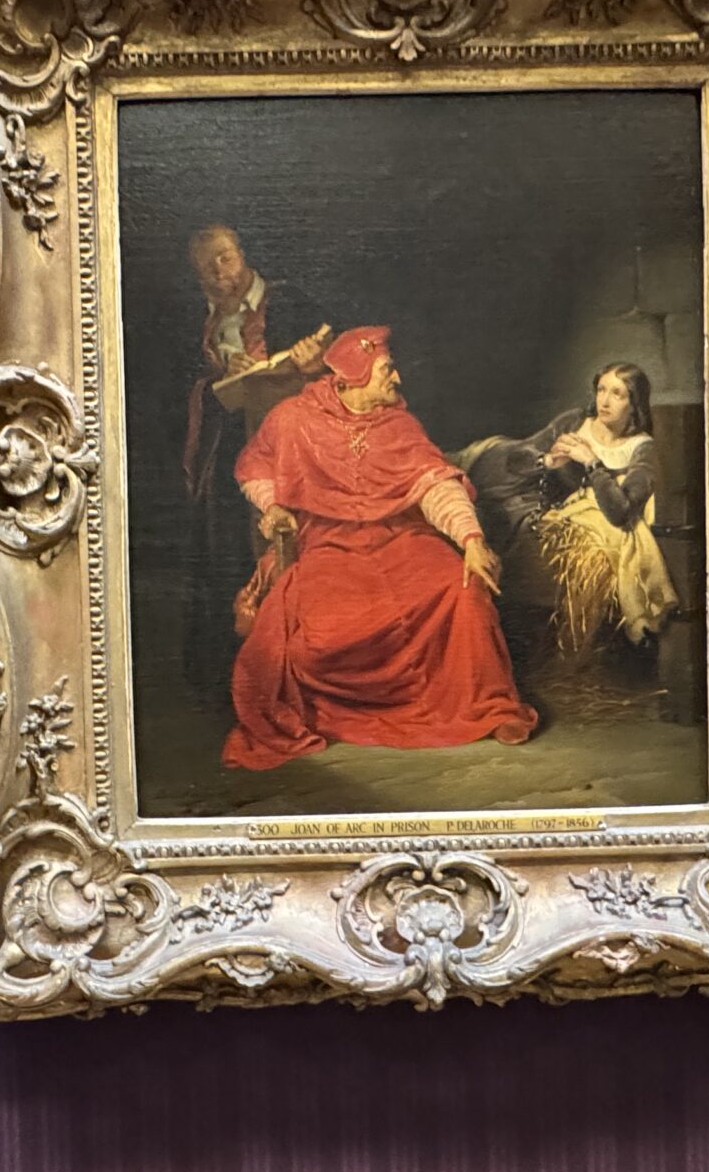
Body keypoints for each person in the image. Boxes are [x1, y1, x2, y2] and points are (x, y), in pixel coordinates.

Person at [223, 326, 537, 770]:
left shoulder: (399, 424)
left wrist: (471, 540)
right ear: (355, 373)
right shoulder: (294, 419)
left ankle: (485, 706)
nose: (397, 378)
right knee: (318, 633)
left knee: (461, 588)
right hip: (329, 542)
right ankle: (348, 713)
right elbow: (255, 467)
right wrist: (273, 506)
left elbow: (436, 484)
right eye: (387, 369)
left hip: (401, 537)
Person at [174, 225, 329, 702]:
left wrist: (312, 362)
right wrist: (218, 377)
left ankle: (305, 677)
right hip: (229, 453)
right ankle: (242, 679)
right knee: (230, 552)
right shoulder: (198, 323)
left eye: (225, 258)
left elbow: (338, 363)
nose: (219, 272)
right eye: (207, 267)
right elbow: (182, 386)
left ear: (242, 254)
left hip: (296, 448)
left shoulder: (292, 301)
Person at [463, 361, 678, 655]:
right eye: (601, 389)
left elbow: (619, 512)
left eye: (617, 394)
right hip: (543, 508)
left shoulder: (641, 448)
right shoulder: (576, 422)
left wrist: (591, 462)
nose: (605, 401)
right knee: (487, 488)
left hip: (591, 525)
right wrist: (548, 460)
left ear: (634, 404)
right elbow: (518, 458)